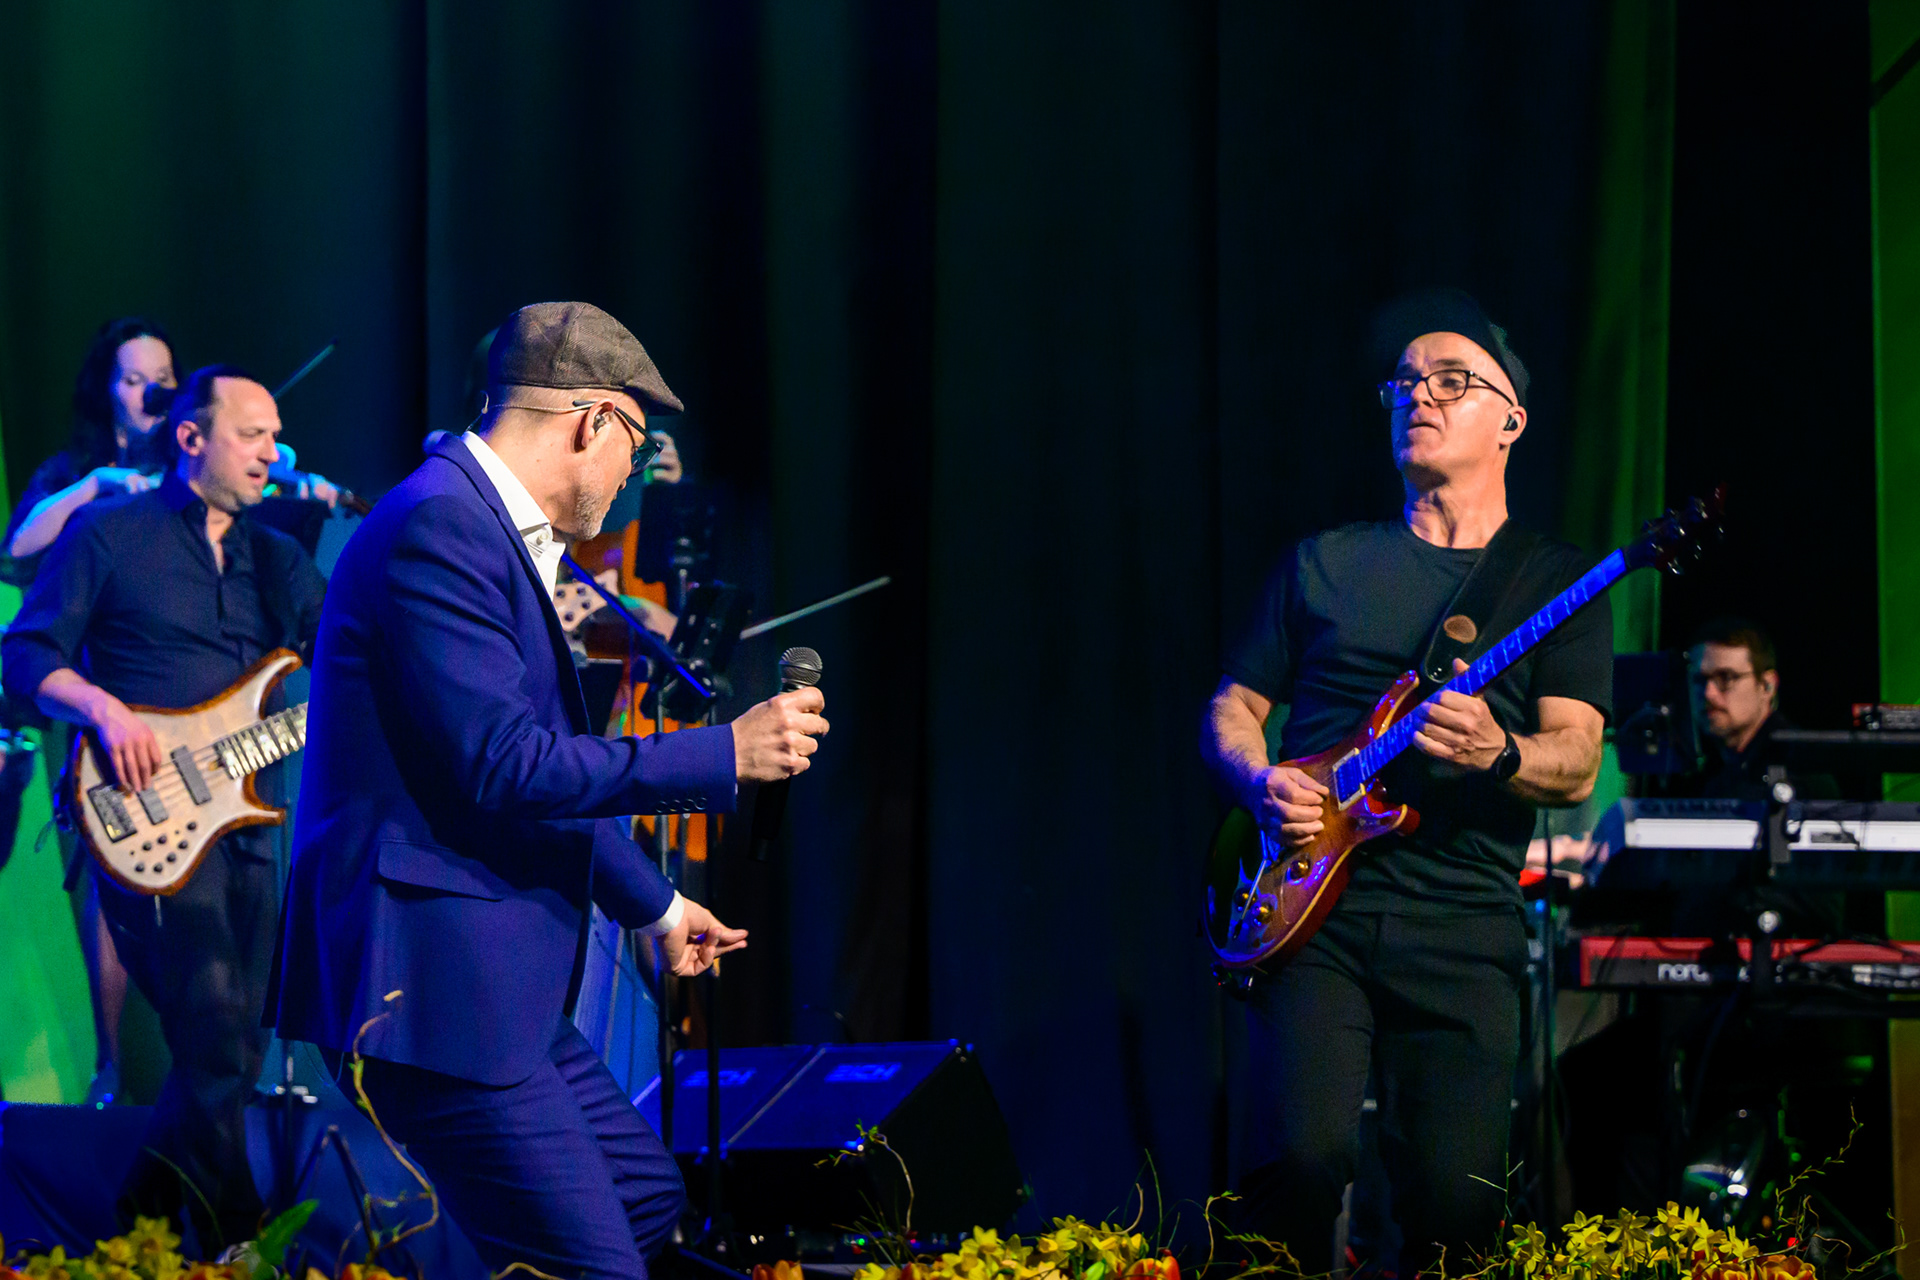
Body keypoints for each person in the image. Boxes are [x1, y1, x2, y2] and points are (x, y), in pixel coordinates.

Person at [268, 301, 828, 1280]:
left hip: (486, 991)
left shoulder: (475, 525)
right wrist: (722, 754)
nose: (632, 477)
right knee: (597, 1265)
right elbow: (509, 763)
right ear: (592, 420)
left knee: (647, 1197)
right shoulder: (440, 526)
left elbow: (530, 766)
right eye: (635, 448)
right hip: (428, 995)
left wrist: (656, 908)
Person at [1201, 289, 1612, 1270]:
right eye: (1405, 382)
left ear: (1511, 420)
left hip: (1462, 921)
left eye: (1452, 380)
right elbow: (1231, 706)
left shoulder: (1556, 582)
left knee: (1456, 1205)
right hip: (1312, 913)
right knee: (1298, 1163)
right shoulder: (1325, 563)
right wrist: (1259, 780)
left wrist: (1500, 752)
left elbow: (1576, 758)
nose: (1419, 395)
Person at [1, 365, 327, 1248]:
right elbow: (24, 655)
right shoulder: (112, 534)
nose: (272, 453)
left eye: (276, 437)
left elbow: (348, 656)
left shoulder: (279, 561)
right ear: (191, 438)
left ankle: (136, 1230)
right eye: (253, 434)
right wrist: (103, 709)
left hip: (249, 827)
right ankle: (240, 1240)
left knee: (234, 1047)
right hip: (143, 814)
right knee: (216, 1030)